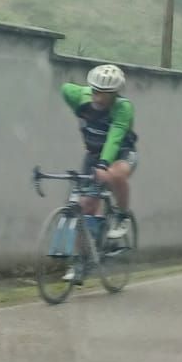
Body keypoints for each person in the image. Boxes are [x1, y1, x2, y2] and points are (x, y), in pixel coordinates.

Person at [60, 64, 138, 247]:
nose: (100, 97)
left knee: (116, 174)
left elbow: (114, 137)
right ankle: (81, 260)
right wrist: (83, 100)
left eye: (106, 93)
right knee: (85, 207)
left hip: (122, 153)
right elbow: (65, 88)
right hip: (93, 155)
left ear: (116, 94)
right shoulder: (81, 98)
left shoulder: (123, 108)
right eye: (96, 91)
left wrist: (104, 164)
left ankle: (122, 215)